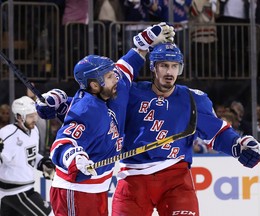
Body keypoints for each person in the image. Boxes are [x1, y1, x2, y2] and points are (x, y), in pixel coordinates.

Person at [38, 42, 260, 216]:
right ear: (153, 68)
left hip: (175, 178)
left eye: (174, 66)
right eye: (164, 65)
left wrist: (238, 145)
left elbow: (218, 133)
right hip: (133, 179)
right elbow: (92, 107)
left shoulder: (193, 99)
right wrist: (59, 103)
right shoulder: (130, 93)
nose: (169, 71)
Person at [35, 23, 175, 216]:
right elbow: (62, 144)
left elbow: (126, 67)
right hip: (75, 190)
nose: (115, 78)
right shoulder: (86, 110)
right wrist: (76, 158)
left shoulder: (115, 90)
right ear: (94, 85)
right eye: (110, 76)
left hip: (99, 188)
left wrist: (143, 45)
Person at [0, 96, 55, 216]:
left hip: (25, 188)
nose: (35, 119)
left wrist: (42, 163)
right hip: (15, 192)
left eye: (35, 115)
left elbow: (31, 156)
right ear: (19, 117)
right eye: (30, 116)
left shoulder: (34, 131)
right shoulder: (7, 135)